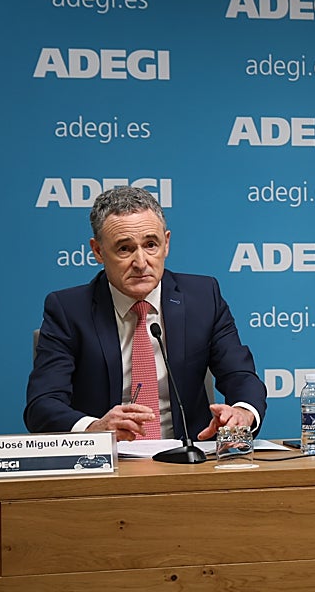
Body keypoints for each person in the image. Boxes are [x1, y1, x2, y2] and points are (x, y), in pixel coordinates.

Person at [25, 186, 267, 441]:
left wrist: (242, 412)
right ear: (97, 251)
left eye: (151, 245)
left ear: (166, 243)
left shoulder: (203, 298)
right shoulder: (68, 310)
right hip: (108, 457)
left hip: (188, 455)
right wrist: (95, 428)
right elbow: (42, 404)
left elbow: (240, 375)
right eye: (124, 249)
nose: (141, 263)